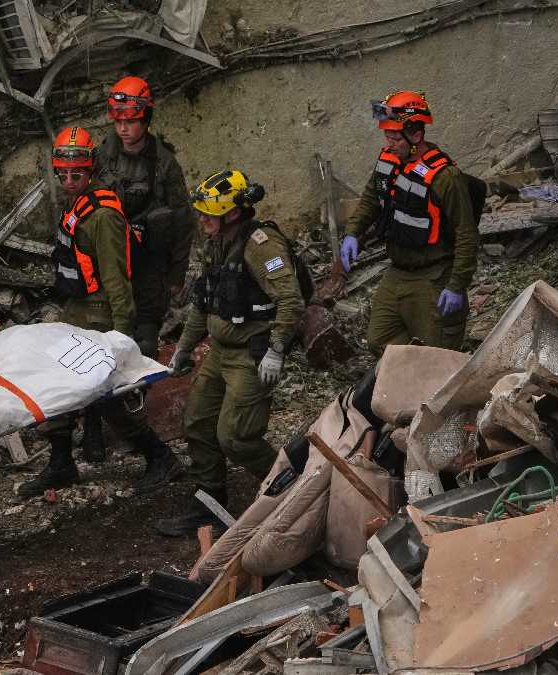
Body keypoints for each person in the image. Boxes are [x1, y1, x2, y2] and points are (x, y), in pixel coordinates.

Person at [18, 126, 184, 499]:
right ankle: (61, 464)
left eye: (77, 174)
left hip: (100, 316)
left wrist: (121, 336)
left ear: (90, 169)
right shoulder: (73, 206)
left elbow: (117, 279)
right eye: (63, 174)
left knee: (108, 395)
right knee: (56, 385)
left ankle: (161, 458)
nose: (70, 180)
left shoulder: (104, 216)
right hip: (75, 310)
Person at [155, 170, 305, 537]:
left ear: (233, 213)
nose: (202, 218)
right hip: (221, 350)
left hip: (251, 354)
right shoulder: (216, 242)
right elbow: (202, 304)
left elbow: (290, 300)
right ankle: (210, 502)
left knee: (236, 437)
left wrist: (277, 350)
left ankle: (293, 491)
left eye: (210, 212)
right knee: (198, 422)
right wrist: (184, 349)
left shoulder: (261, 245)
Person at [339, 90, 478, 355]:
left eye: (395, 137)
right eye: (386, 136)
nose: (389, 143)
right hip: (397, 270)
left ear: (416, 134)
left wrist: (457, 284)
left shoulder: (445, 177)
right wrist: (353, 233)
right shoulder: (389, 160)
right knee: (379, 340)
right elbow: (371, 198)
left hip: (433, 275)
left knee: (435, 356)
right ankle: (409, 367)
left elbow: (466, 234)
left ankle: (424, 372)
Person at [95, 75, 195, 358]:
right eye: (118, 122)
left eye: (130, 122)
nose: (123, 129)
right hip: (112, 259)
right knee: (108, 339)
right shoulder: (104, 154)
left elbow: (182, 222)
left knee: (146, 342)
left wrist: (177, 274)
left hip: (150, 263)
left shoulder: (164, 163)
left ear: (146, 119)